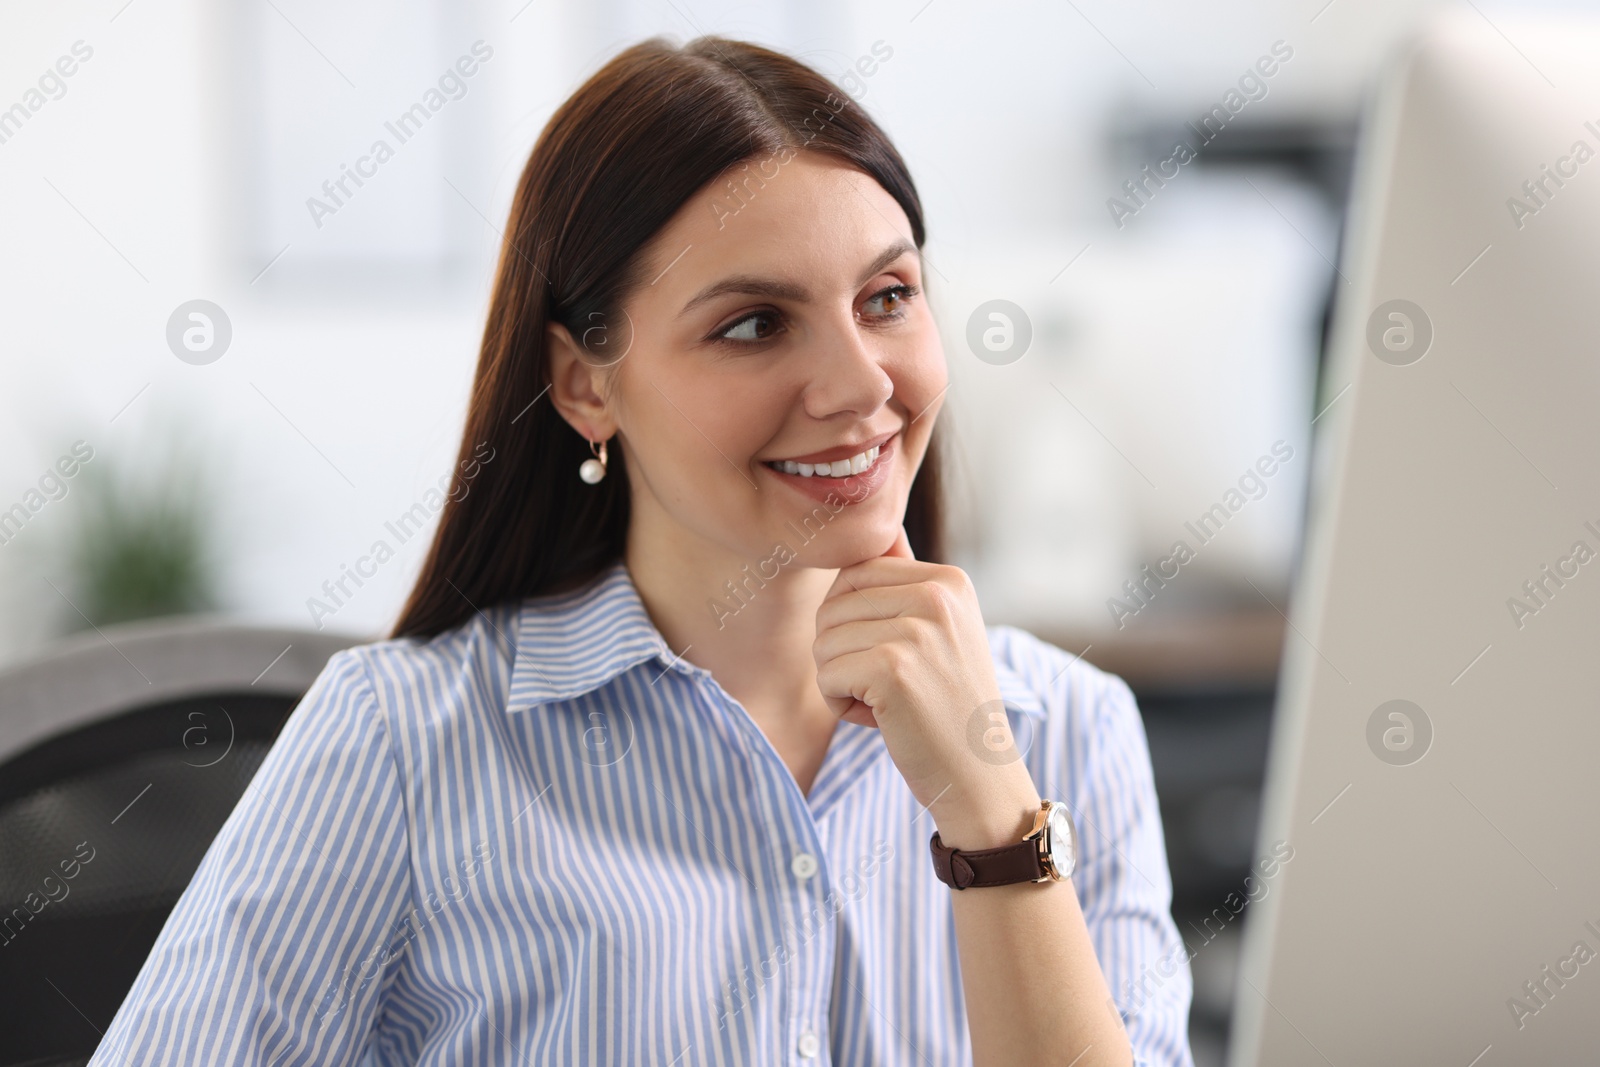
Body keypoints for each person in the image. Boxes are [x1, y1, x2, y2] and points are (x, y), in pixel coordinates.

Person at [91, 34, 1194, 1067]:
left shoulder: (1069, 731)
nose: (862, 385)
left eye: (888, 298)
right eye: (754, 323)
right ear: (585, 384)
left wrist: (993, 813)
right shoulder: (402, 744)